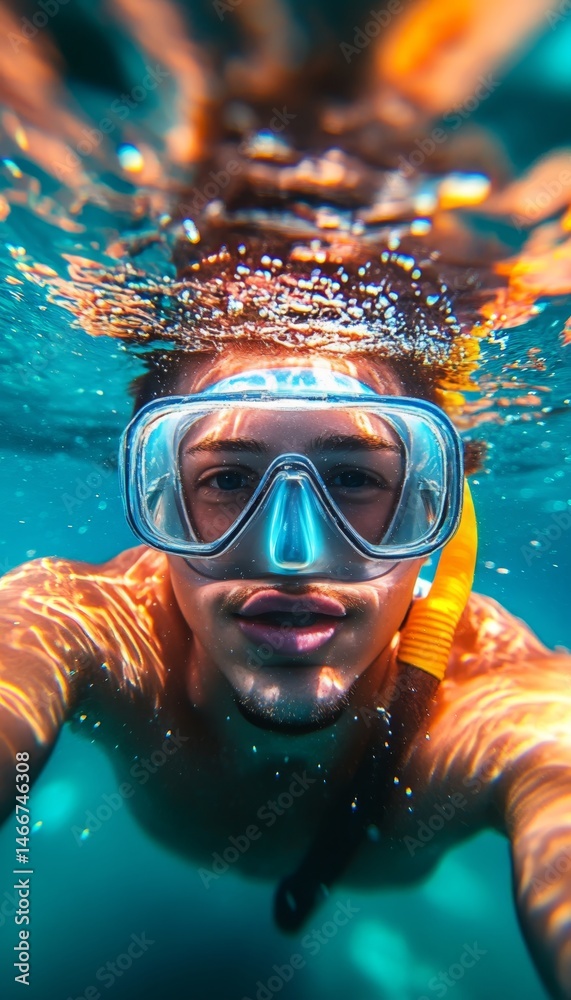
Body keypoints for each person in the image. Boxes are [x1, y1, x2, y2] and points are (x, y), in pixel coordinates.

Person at [1, 233, 570, 1000]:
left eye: (354, 478)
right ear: (164, 496)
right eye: (229, 478)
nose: (291, 556)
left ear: (432, 501)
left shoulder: (501, 702)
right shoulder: (88, 624)